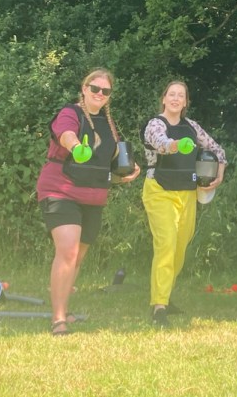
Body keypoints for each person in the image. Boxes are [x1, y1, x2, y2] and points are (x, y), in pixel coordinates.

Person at [37, 69, 141, 335]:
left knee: (78, 257)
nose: (99, 94)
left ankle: (65, 310)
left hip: (94, 195)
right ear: (84, 89)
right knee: (68, 251)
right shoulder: (70, 113)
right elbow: (66, 134)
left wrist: (128, 168)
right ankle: (58, 318)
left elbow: (112, 158)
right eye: (94, 88)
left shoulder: (107, 123)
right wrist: (75, 147)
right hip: (61, 189)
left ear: (109, 96)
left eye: (105, 91)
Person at [141, 81, 226, 327]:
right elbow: (161, 144)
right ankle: (159, 308)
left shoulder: (192, 127)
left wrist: (218, 175)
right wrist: (177, 145)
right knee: (166, 244)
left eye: (181, 95)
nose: (176, 99)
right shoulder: (156, 124)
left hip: (187, 193)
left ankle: (164, 296)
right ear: (164, 99)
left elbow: (217, 150)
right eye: (172, 94)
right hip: (159, 190)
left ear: (186, 102)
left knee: (179, 248)